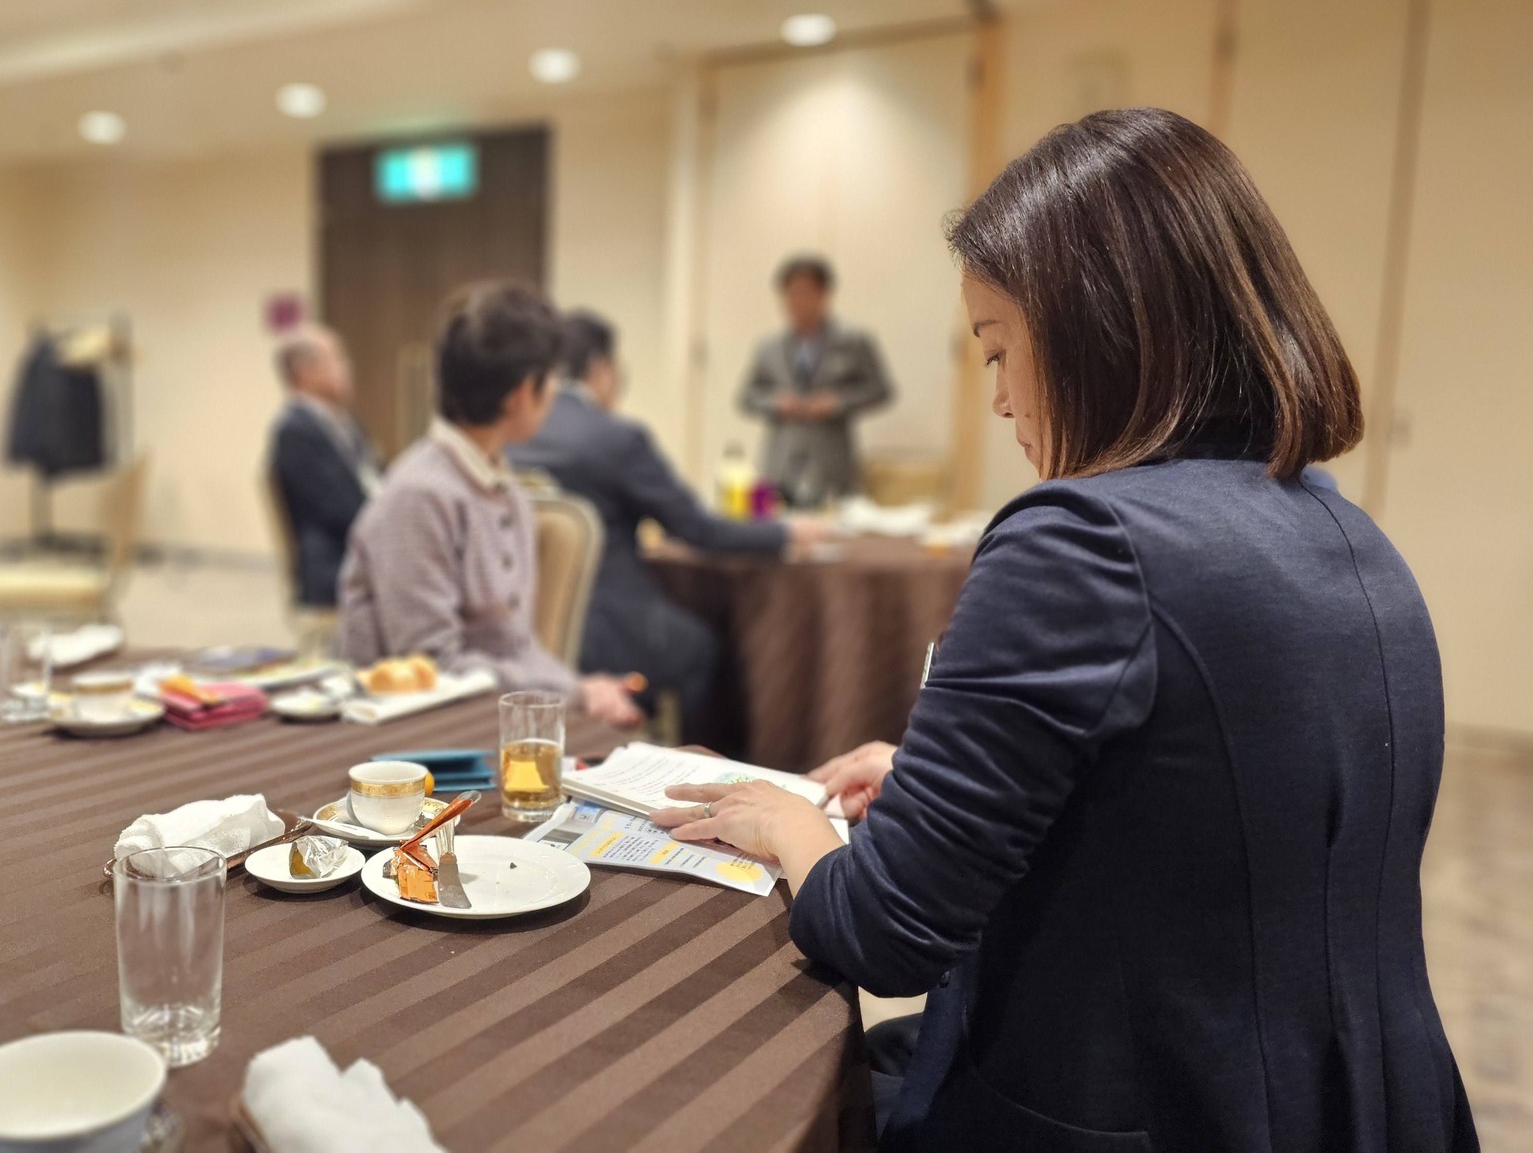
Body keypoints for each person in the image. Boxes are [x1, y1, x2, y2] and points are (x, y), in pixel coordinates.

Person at [653, 109, 1476, 1151]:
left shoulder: (1082, 540)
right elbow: (1216, 822)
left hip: (1133, 1112)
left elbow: (883, 930)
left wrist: (786, 823)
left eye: (999, 349)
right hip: (1358, 1104)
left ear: (1097, 328)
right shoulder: (1343, 530)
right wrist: (944, 782)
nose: (1000, 400)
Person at [511, 310, 827, 739]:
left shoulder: (514, 434)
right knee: (703, 647)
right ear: (602, 369)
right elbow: (698, 529)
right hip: (608, 627)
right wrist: (785, 532)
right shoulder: (615, 437)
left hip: (524, 630)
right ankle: (697, 762)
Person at [338, 283, 641, 729]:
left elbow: (518, 646)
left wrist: (582, 688)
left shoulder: (505, 488)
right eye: (550, 378)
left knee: (619, 740)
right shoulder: (419, 496)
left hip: (488, 710)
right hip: (413, 728)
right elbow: (431, 664)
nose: (555, 392)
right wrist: (574, 693)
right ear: (520, 394)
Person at [738, 254, 894, 506]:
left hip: (832, 463)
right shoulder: (768, 348)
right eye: (792, 294)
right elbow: (746, 397)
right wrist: (776, 402)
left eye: (807, 293)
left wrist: (838, 402)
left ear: (824, 294)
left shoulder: (854, 342)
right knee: (770, 524)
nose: (799, 302)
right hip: (779, 464)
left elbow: (880, 390)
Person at [267, 325, 378, 608]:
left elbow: (373, 480)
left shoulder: (343, 423)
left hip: (358, 548)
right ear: (304, 372)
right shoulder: (295, 431)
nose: (347, 368)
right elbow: (340, 510)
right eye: (337, 359)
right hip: (333, 564)